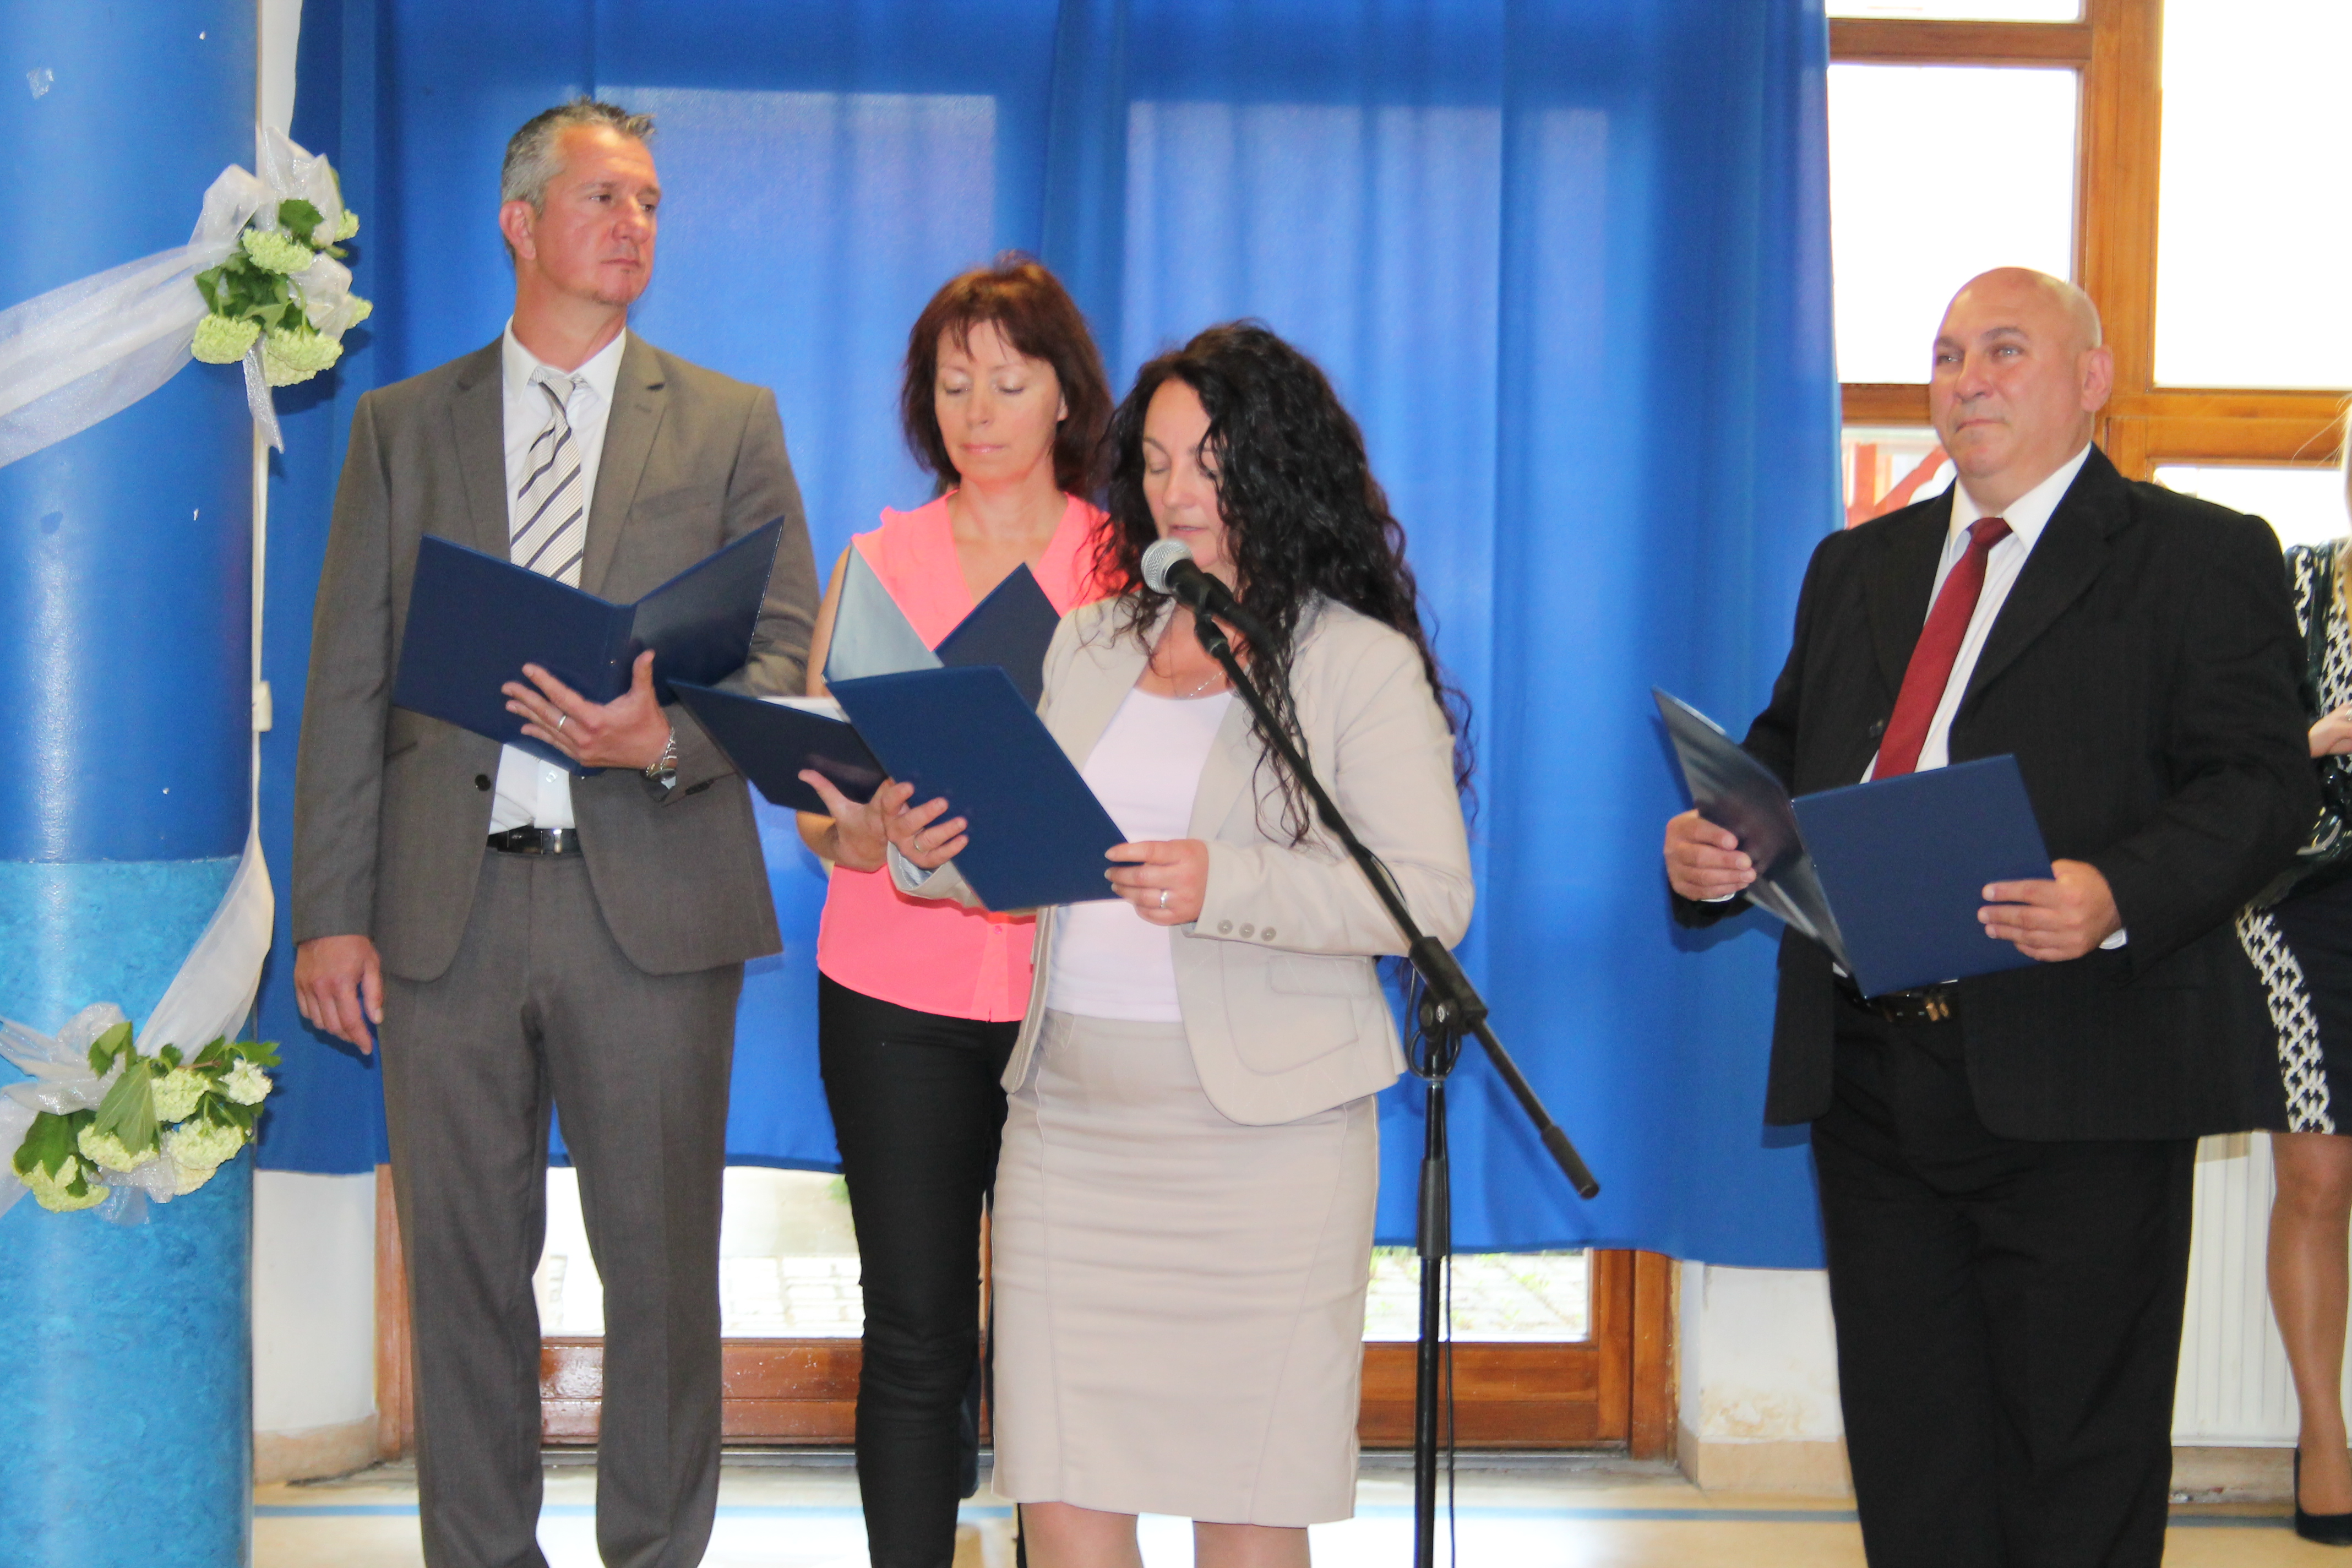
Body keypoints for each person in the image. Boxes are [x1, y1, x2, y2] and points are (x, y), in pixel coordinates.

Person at [1662, 267, 2315, 1567]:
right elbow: (1788, 751)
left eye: (2006, 350)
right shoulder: (1858, 563)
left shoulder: (2199, 554)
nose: (1967, 380)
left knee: (2077, 1462)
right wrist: (1716, 842)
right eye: (1948, 354)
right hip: (1871, 1071)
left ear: (2093, 377)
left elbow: (2261, 786)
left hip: (2083, 1063)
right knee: (1915, 1456)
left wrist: (2117, 892)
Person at [291, 99, 819, 1568]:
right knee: (463, 1275)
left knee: (662, 1276)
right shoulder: (403, 427)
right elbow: (347, 677)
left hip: (649, 905)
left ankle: (654, 1553)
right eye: (604, 197)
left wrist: (669, 739)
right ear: (519, 222)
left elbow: (786, 657)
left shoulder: (728, 420)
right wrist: (331, 910)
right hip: (444, 911)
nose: (635, 224)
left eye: (650, 202)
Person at [879, 322, 1472, 1568]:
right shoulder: (1091, 641)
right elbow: (1027, 849)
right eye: (1153, 463)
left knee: (1246, 1511)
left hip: (1269, 1149)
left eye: (1209, 460)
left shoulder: (1355, 663)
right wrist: (925, 847)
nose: (1176, 490)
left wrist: (1223, 882)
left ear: (1279, 469)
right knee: (1064, 1504)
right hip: (1071, 1130)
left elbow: (1426, 900)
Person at [791, 255, 1112, 1568]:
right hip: (895, 996)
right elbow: (817, 803)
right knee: (917, 1326)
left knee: (1062, 1335)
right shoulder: (879, 559)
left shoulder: (1124, 567)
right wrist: (864, 830)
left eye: (1009, 382)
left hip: (1074, 994)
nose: (978, 410)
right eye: (953, 381)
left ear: (1065, 396)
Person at [2240, 444, 2352, 1545]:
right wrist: (2318, 739)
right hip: (2311, 902)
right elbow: (2226, 749)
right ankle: (2326, 1446)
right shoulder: (2297, 582)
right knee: (2316, 1177)